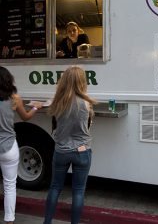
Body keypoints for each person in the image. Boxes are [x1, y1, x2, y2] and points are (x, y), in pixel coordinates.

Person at [0, 66, 42, 224]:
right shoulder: (15, 98)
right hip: (9, 147)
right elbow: (25, 118)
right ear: (8, 80)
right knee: (10, 186)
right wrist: (35, 107)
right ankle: (9, 221)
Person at [43, 66, 96, 224]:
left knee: (55, 188)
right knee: (78, 192)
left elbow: (55, 125)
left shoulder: (58, 102)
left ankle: (47, 222)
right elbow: (88, 126)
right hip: (82, 151)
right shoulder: (86, 103)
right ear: (82, 81)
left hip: (61, 151)